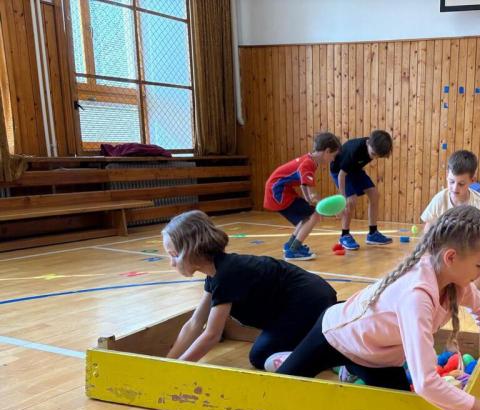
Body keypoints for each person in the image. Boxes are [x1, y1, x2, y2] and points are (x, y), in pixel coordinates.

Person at [278, 205, 480, 410]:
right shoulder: (416, 295)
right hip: (336, 337)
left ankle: (350, 368)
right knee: (279, 392)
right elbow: (426, 382)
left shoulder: (457, 283)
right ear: (451, 257)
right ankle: (288, 357)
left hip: (378, 357)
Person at [162, 210, 337, 370]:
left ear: (191, 250)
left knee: (261, 355)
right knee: (266, 350)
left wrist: (176, 369)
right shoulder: (216, 273)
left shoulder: (226, 274)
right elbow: (195, 323)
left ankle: (330, 354)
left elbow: (212, 335)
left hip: (311, 301)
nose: (172, 263)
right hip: (303, 302)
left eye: (173, 255)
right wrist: (167, 363)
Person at [264, 132, 341, 260]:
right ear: (327, 151)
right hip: (277, 192)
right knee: (313, 215)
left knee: (307, 215)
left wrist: (308, 202)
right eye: (333, 156)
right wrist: (330, 209)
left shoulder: (311, 161)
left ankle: (291, 245)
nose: (333, 159)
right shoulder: (308, 164)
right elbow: (313, 194)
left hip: (280, 190)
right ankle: (293, 251)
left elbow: (303, 184)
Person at [421, 149, 480, 283]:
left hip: (472, 257)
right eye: (451, 182)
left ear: (472, 180)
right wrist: (427, 256)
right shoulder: (440, 200)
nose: (455, 188)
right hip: (449, 258)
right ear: (447, 175)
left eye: (461, 184)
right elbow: (428, 228)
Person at [331, 129, 394, 250]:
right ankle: (344, 235)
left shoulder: (374, 146)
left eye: (378, 156)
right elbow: (341, 175)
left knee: (374, 194)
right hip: (339, 171)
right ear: (368, 143)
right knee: (351, 200)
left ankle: (373, 234)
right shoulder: (354, 150)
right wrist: (342, 198)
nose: (374, 157)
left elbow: (359, 164)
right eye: (373, 154)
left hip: (355, 169)